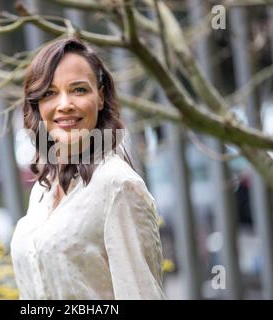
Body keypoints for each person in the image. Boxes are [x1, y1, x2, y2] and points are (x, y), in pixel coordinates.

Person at [9, 37, 165, 300]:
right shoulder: (42, 190)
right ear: (37, 105)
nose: (64, 104)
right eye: (49, 93)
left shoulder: (118, 185)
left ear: (101, 97)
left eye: (79, 90)